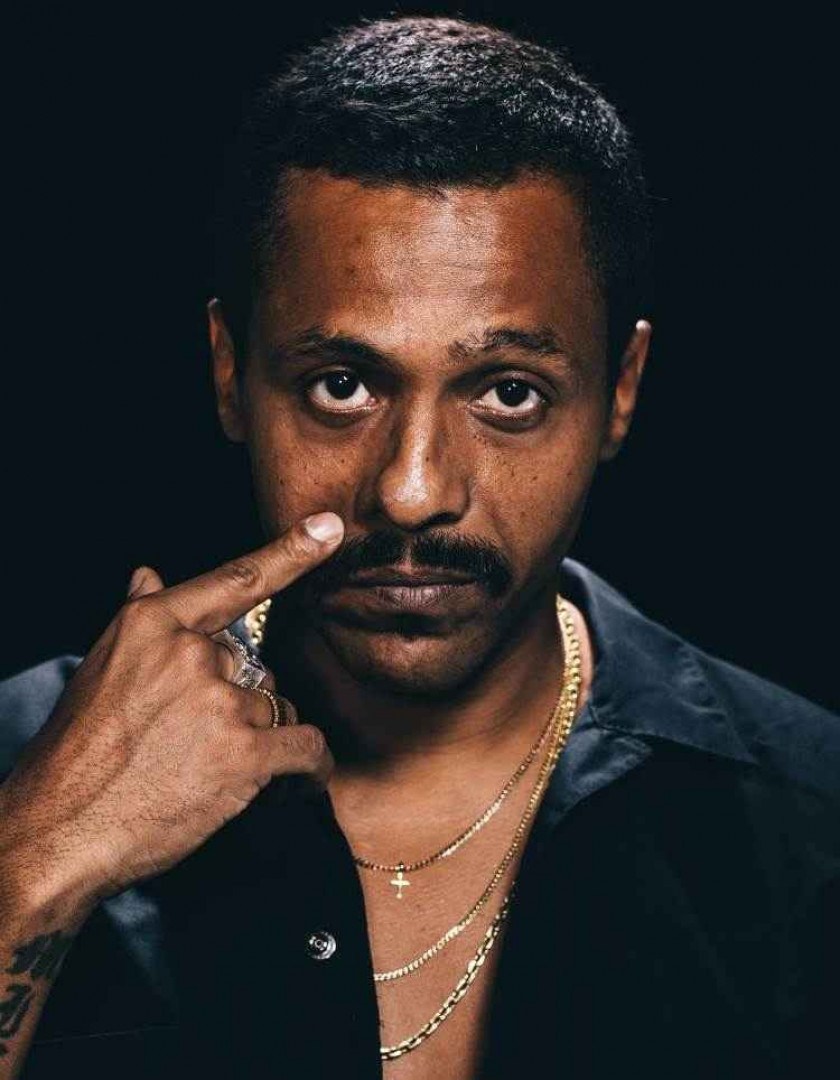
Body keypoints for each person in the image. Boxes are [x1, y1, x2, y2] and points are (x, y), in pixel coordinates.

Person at [0, 14, 836, 1080]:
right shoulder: (20, 766)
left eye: (508, 394)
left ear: (621, 391)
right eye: (342, 386)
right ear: (229, 373)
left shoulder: (809, 825)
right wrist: (35, 866)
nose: (411, 493)